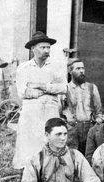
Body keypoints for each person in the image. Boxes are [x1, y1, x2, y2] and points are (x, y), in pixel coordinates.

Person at [13, 31, 67, 169]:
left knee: (50, 139)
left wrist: (43, 86)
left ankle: (49, 172)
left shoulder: (56, 67)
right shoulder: (24, 68)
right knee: (29, 143)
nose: (47, 51)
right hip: (31, 111)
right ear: (33, 49)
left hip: (50, 109)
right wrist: (44, 92)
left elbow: (64, 88)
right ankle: (28, 173)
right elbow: (22, 91)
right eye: (43, 47)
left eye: (48, 47)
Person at [62, 58, 103, 154]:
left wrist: (98, 121)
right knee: (73, 157)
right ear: (70, 71)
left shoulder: (92, 88)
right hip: (72, 131)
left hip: (90, 128)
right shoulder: (65, 89)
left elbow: (99, 111)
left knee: (89, 156)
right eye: (78, 68)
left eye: (83, 68)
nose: (81, 71)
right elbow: (59, 113)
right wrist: (67, 125)